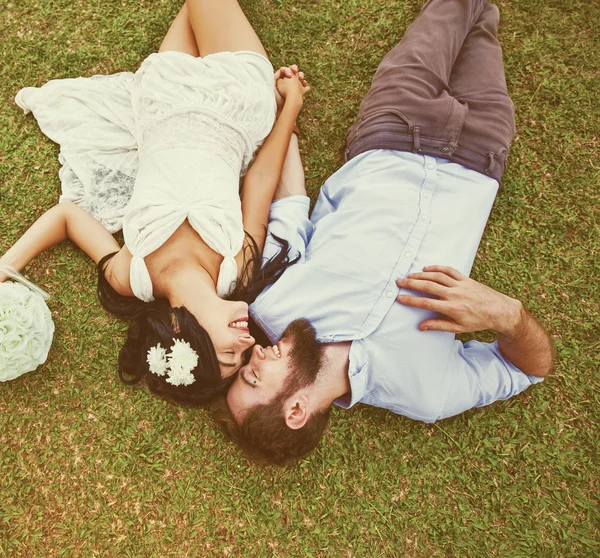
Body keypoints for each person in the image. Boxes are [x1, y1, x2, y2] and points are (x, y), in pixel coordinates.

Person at [213, 0, 554, 463]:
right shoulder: (426, 393)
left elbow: (290, 208)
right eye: (254, 378)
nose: (255, 356)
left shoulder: (272, 307)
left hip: (394, 124)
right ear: (297, 410)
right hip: (482, 150)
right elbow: (531, 369)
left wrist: (284, 118)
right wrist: (507, 315)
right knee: (483, 18)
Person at [0, 1, 309, 403]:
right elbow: (260, 184)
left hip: (164, 98)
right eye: (245, 354)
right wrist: (290, 107)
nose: (247, 342)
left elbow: (67, 217)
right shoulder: (239, 269)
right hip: (237, 103)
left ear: (181, 334)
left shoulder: (131, 277)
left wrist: (5, 267)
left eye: (230, 353)